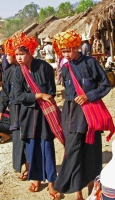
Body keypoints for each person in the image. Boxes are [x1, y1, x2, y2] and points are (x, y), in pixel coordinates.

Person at [52, 30, 112, 200]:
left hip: (90, 113)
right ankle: (70, 188)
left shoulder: (90, 63)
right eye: (63, 51)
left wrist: (89, 96)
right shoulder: (65, 68)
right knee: (72, 150)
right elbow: (67, 92)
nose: (66, 54)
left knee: (91, 152)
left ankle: (92, 190)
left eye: (69, 50)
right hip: (71, 114)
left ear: (77, 46)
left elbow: (105, 85)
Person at [12, 32, 63, 199]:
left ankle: (51, 183)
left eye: (22, 54)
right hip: (28, 117)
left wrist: (44, 96)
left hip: (45, 116)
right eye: (16, 54)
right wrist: (38, 96)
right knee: (32, 148)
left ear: (30, 52)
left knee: (47, 147)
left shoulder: (45, 67)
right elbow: (18, 96)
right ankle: (36, 178)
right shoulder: (18, 72)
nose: (19, 58)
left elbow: (51, 91)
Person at [0, 37, 28, 175]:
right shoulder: (8, 72)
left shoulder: (26, 70)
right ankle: (20, 166)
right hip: (13, 109)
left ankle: (29, 167)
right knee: (17, 137)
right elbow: (5, 92)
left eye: (9, 54)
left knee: (27, 136)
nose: (7, 57)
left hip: (26, 108)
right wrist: (1, 109)